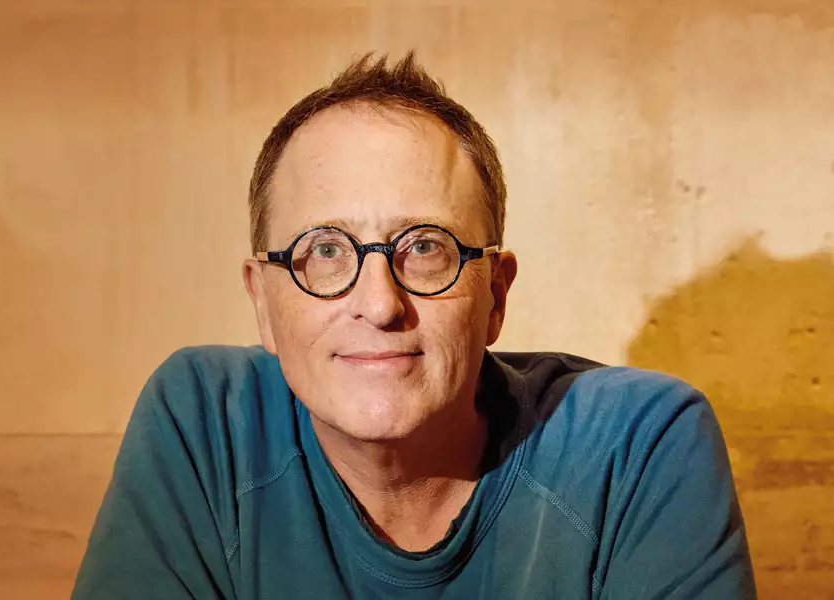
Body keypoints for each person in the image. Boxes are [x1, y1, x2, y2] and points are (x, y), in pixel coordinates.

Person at [72, 52, 756, 599]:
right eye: (326, 251)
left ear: (495, 296)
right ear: (263, 303)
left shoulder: (636, 445)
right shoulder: (207, 422)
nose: (379, 304)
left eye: (425, 247)